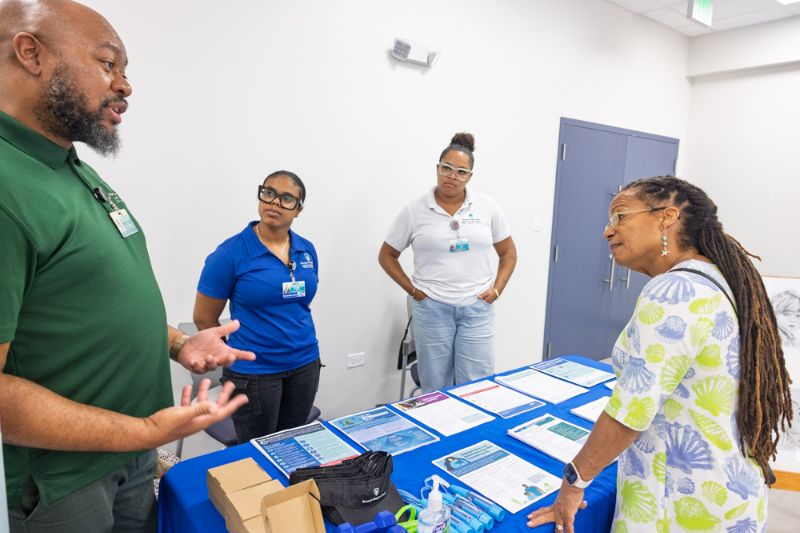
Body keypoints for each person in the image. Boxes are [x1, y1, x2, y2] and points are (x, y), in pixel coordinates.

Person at [0, 1, 255, 530]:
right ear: (30, 54)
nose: (125, 85)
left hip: (132, 457)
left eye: (126, 71)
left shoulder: (69, 168)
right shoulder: (8, 184)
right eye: (106, 63)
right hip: (66, 483)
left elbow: (92, 302)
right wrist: (144, 431)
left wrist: (180, 345)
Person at [528, 176, 793, 532]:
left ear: (667, 217)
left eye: (620, 216)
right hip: (726, 489)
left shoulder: (674, 290)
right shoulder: (719, 279)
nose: (608, 231)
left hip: (679, 502)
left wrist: (574, 482)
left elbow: (631, 411)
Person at [378, 132, 517, 393]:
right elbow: (387, 255)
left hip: (477, 309)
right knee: (435, 387)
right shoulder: (414, 210)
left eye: (461, 171)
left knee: (477, 386)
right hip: (432, 310)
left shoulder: (487, 206)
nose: (452, 176)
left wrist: (497, 289)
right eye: (447, 168)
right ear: (437, 168)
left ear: (469, 177)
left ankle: (475, 435)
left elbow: (508, 253)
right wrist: (414, 291)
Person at [194, 171, 322, 442]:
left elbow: (300, 304)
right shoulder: (230, 254)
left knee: (293, 446)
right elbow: (204, 318)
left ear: (298, 209)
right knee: (257, 452)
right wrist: (233, 352)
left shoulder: (306, 250)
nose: (275, 203)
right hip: (254, 374)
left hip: (304, 364)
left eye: (287, 199)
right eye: (269, 193)